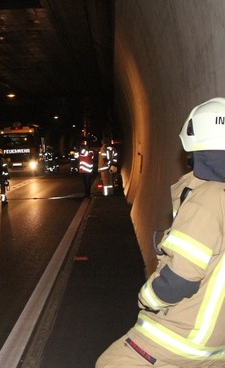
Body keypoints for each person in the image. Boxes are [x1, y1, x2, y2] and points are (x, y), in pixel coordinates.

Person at [96, 97, 225, 367]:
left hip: (182, 336)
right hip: (217, 344)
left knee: (111, 363)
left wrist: (148, 297)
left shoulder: (207, 200)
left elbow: (181, 278)